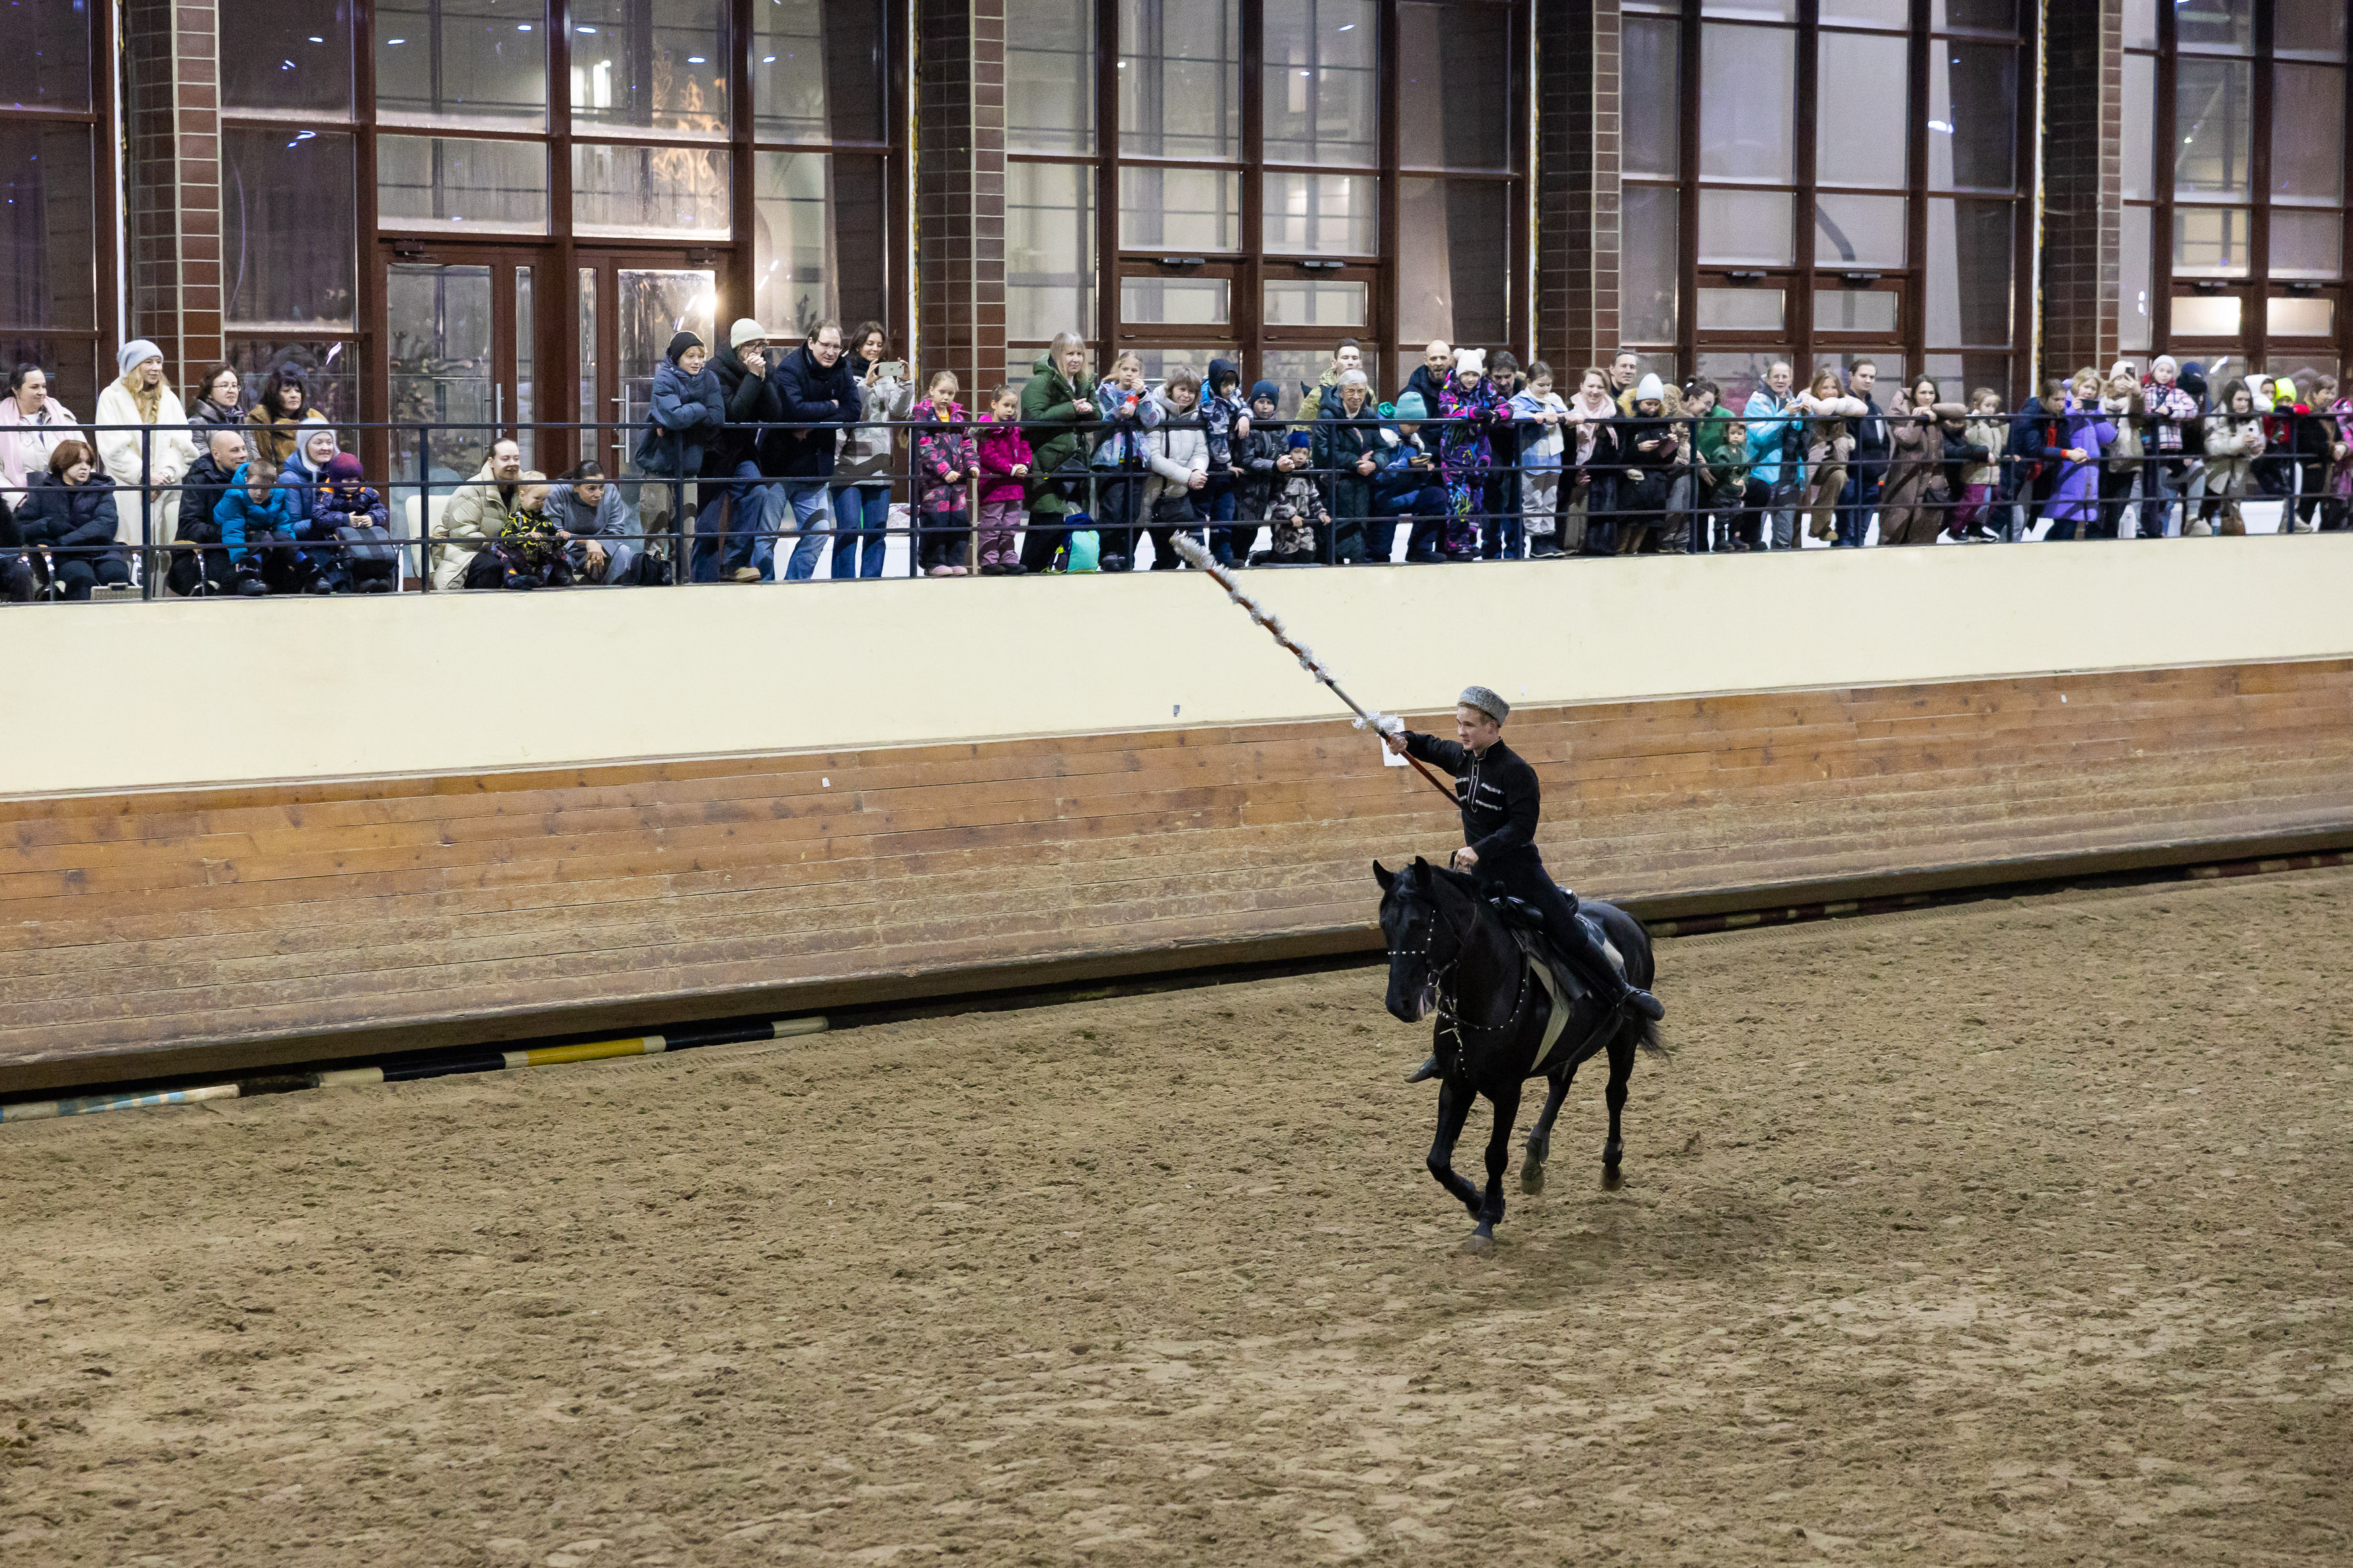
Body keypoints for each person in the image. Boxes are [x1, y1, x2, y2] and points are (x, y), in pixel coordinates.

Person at [1388, 685, 1664, 1083]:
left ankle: (1623, 994)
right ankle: (1445, 1047)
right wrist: (1404, 740)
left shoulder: (1517, 772)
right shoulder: (1461, 758)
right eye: (1459, 724)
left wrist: (1479, 849)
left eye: (1469, 725)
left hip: (1522, 877)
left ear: (1492, 727)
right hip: (1482, 881)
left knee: (1568, 934)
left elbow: (1521, 829)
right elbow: (1429, 746)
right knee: (1459, 951)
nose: (1461, 732)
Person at [93, 340, 198, 571]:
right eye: (149, 362)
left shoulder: (169, 398)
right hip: (129, 488)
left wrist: (165, 475)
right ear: (133, 367)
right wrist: (144, 475)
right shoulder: (111, 397)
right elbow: (112, 448)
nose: (156, 368)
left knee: (166, 560)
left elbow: (182, 443)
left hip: (166, 488)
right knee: (132, 556)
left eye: (159, 362)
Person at [770, 319, 860, 581]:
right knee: (765, 537)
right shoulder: (790, 368)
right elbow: (794, 410)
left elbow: (854, 410)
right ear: (811, 343)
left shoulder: (842, 367)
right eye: (826, 345)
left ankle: (794, 587)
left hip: (816, 466)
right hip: (778, 467)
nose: (831, 352)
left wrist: (813, 425)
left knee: (818, 533)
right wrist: (832, 405)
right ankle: (763, 591)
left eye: (837, 347)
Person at [705, 317, 785, 582]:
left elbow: (774, 415)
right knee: (707, 521)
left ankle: (734, 563)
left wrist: (762, 378)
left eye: (761, 346)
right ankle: (700, 576)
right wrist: (753, 377)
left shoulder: (764, 369)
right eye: (751, 346)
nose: (757, 352)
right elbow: (734, 413)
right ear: (738, 347)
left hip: (742, 452)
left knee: (757, 492)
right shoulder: (715, 369)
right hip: (713, 453)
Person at [830, 323, 910, 579]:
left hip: (880, 460)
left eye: (879, 344)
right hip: (848, 458)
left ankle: (871, 582)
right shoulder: (842, 370)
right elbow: (851, 412)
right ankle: (843, 583)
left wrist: (905, 384)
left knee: (877, 528)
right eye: (869, 344)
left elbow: (899, 410)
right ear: (858, 344)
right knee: (849, 526)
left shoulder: (886, 373)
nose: (875, 349)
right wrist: (866, 384)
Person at [1017, 333, 1098, 573]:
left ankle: (1034, 572)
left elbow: (1097, 421)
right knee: (1048, 523)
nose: (1076, 359)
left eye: (1080, 354)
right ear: (1057, 355)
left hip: (1073, 466)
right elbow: (1032, 419)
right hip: (1045, 466)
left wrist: (1089, 411)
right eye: (1070, 354)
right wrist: (1070, 409)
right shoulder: (1041, 382)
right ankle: (1029, 572)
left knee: (1051, 526)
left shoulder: (1084, 383)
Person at [644, 329, 723, 562]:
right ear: (677, 357)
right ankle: (656, 581)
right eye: (690, 356)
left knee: (687, 539)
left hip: (689, 468)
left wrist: (680, 418)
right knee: (655, 538)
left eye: (701, 356)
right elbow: (675, 416)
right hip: (659, 468)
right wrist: (700, 408)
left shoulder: (709, 378)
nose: (697, 362)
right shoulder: (664, 377)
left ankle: (684, 581)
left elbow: (717, 417)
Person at [16, 440, 131, 599]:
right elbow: (22, 527)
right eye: (78, 462)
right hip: (69, 556)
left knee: (119, 581)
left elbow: (107, 524)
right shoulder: (43, 491)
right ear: (62, 463)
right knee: (82, 583)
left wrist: (62, 541)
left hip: (103, 552)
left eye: (88, 462)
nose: (85, 467)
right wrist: (49, 525)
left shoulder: (101, 488)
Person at [1876, 376, 1968, 545]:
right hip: (1905, 480)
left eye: (1931, 393)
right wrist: (1918, 418)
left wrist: (1932, 410)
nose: (1927, 397)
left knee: (1924, 531)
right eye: (1923, 393)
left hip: (1932, 480)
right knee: (1895, 527)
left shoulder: (1937, 414)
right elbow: (1908, 439)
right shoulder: (1901, 416)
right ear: (1914, 395)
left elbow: (1962, 410)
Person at [1090, 352, 1160, 571]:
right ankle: (1108, 553)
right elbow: (1099, 418)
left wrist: (1143, 396)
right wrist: (1119, 413)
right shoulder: (1105, 391)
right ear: (1117, 370)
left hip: (1136, 459)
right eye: (1125, 369)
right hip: (1110, 459)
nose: (1129, 374)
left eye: (1134, 370)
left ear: (1141, 373)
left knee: (1132, 511)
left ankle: (1124, 553)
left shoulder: (1143, 394)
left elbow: (1152, 419)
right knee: (1112, 509)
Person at [1138, 367, 1209, 569]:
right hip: (1151, 498)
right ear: (1170, 389)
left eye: (1192, 391)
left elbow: (1201, 452)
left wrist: (1197, 470)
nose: (1187, 395)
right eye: (1182, 389)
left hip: (1177, 499)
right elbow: (1153, 458)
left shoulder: (1194, 417)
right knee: (1135, 555)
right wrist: (1188, 477)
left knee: (1172, 559)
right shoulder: (1156, 414)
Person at [2036, 368, 2118, 542]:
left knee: (2072, 522)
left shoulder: (2092, 413)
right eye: (2086, 386)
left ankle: (2050, 551)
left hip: (2088, 471)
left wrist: (2096, 413)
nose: (2089, 391)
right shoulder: (2064, 405)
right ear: (2077, 386)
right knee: (2065, 520)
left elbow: (2109, 437)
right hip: (2068, 468)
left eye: (2093, 388)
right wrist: (2073, 411)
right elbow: (2061, 431)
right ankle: (2047, 551)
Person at [1436, 349, 1504, 561]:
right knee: (1459, 500)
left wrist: (1499, 414)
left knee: (1476, 501)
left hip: (1480, 456)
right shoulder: (1449, 388)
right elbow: (1449, 410)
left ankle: (1470, 542)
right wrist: (1478, 413)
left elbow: (1503, 404)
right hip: (1454, 455)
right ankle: (1456, 545)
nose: (1471, 379)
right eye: (1466, 374)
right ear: (1459, 374)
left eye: (1474, 374)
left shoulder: (1486, 388)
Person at [214, 454, 312, 595]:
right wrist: (239, 560)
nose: (259, 493)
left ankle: (313, 573)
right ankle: (248, 576)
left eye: (265, 489)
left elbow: (284, 525)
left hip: (262, 535)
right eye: (254, 487)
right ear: (246, 481)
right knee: (263, 538)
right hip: (231, 535)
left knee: (281, 538)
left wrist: (290, 550)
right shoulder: (234, 494)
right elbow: (233, 530)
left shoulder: (279, 494)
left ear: (273, 486)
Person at [1312, 369, 1383, 564]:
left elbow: (1383, 448)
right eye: (1351, 391)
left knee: (1358, 545)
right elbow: (1322, 454)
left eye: (1361, 391)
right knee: (1333, 547)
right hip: (1333, 488)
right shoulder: (1327, 415)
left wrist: (1375, 463)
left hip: (1362, 489)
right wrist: (1355, 462)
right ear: (1341, 392)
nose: (1357, 397)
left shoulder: (1370, 416)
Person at [432, 438, 522, 588]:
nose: (512, 464)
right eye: (505, 459)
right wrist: (503, 545)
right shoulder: (470, 491)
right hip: (463, 554)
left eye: (516, 458)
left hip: (502, 550)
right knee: (492, 565)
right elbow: (464, 536)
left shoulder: (524, 488)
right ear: (491, 462)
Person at [1372, 390, 1449, 561]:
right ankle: (1378, 560)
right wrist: (1407, 465)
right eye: (1410, 423)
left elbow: (1420, 478)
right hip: (1385, 497)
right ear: (1399, 418)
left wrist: (1424, 469)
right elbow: (1379, 476)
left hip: (1410, 492)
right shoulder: (1384, 437)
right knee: (1379, 552)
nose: (1414, 428)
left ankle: (1420, 549)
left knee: (1437, 496)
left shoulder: (1416, 440)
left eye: (1418, 424)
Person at [170, 428, 249, 595]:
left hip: (244, 544)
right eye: (235, 450)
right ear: (216, 454)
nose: (243, 455)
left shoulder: (251, 475)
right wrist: (229, 534)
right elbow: (189, 526)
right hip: (210, 550)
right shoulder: (199, 479)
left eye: (244, 448)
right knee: (243, 566)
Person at [910, 370, 974, 576]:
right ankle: (933, 562)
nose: (946, 397)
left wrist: (972, 465)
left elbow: (967, 444)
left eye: (951, 393)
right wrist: (944, 470)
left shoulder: (959, 418)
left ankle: (954, 560)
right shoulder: (922, 414)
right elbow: (925, 447)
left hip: (957, 481)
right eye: (942, 392)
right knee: (935, 518)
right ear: (932, 391)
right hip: (933, 481)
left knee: (959, 520)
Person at [1741, 360, 1806, 549]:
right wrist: (1785, 414)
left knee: (1784, 540)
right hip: (1762, 477)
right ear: (1768, 380)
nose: (1780, 380)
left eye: (1785, 376)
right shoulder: (1757, 401)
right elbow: (1761, 437)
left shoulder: (1796, 404)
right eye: (1776, 376)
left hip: (1790, 477)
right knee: (1753, 537)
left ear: (1791, 380)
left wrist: (1806, 417)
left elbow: (1801, 437)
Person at [1798, 368, 1866, 544]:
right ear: (1816, 389)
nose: (1830, 392)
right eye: (1825, 387)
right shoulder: (1808, 401)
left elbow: (1863, 409)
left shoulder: (1842, 401)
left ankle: (1820, 526)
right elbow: (1821, 409)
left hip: (1831, 463)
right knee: (1795, 500)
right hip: (1806, 461)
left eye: (1833, 387)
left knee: (1839, 476)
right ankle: (1793, 544)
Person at [547, 461, 645, 584]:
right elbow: (554, 534)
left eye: (601, 487)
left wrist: (598, 545)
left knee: (624, 551)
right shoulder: (556, 492)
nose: (599, 495)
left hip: (601, 548)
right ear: (575, 487)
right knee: (558, 556)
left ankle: (613, 591)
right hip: (567, 549)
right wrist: (588, 541)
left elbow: (616, 532)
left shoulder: (611, 491)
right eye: (591, 489)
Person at [1615, 373, 1681, 554]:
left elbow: (1666, 460)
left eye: (1656, 404)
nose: (1652, 409)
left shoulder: (1662, 426)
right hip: (1633, 486)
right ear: (1639, 402)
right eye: (1648, 404)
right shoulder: (1630, 425)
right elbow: (1620, 455)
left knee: (1642, 529)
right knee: (1626, 531)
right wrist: (1638, 449)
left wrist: (1671, 448)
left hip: (1653, 486)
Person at [972, 384, 1033, 576]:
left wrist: (1024, 464)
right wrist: (1011, 469)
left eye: (1013, 407)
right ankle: (988, 560)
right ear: (994, 404)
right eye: (1006, 405)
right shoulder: (986, 429)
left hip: (1014, 486)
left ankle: (1008, 558)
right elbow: (988, 456)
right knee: (992, 523)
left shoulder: (1014, 428)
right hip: (994, 486)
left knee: (1011, 524)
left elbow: (1024, 446)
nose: (1010, 410)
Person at [1509, 364, 1568, 557]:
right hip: (1532, 460)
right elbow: (1513, 414)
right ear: (1529, 382)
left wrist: (1571, 416)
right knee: (1533, 500)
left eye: (1548, 385)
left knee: (1550, 500)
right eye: (1541, 385)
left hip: (1553, 458)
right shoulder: (1521, 400)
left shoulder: (1554, 399)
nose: (1545, 389)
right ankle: (1536, 542)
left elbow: (1565, 413)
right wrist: (1538, 416)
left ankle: (1548, 538)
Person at [1, 365, 83, 502]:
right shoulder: (2, 421)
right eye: (35, 387)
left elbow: (85, 457)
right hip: (23, 506)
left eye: (44, 386)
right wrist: (19, 500)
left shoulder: (63, 416)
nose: (42, 392)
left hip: (68, 500)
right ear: (16, 389)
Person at [1562, 368, 1622, 555]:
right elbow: (1562, 448)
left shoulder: (1616, 413)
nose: (1595, 391)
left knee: (1597, 545)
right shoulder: (1566, 410)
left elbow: (1619, 452)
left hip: (1601, 480)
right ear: (1581, 386)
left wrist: (1591, 468)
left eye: (1600, 387)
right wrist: (1573, 473)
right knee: (1570, 539)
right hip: (1571, 479)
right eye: (1590, 386)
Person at [1229, 379, 1289, 562]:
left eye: (1269, 402)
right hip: (1243, 491)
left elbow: (1283, 451)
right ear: (1253, 402)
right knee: (1237, 536)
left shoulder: (1279, 427)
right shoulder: (1247, 424)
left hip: (1264, 491)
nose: (1265, 407)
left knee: (1250, 535)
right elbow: (1246, 460)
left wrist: (1285, 462)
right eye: (1261, 402)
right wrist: (1274, 466)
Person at [2196, 379, 2264, 536]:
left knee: (2232, 526)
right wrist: (2240, 442)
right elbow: (2212, 447)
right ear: (2229, 398)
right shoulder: (2214, 418)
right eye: (2239, 399)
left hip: (2237, 478)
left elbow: (2254, 449)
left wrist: (2256, 449)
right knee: (2209, 522)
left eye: (2246, 400)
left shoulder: (2252, 420)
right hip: (2215, 478)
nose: (2243, 404)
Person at [1831, 360, 1887, 548]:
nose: (1868, 380)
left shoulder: (1876, 409)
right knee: (1845, 533)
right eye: (1863, 376)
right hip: (1850, 476)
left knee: (1861, 533)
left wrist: (1882, 465)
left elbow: (1884, 440)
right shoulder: (1843, 405)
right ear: (1851, 376)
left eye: (1872, 377)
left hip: (1872, 478)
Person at [1199, 358, 1250, 566]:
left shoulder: (1232, 394)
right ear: (1215, 383)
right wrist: (1227, 465)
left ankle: (1222, 557)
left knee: (1224, 512)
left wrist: (1244, 416)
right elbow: (1217, 440)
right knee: (1199, 514)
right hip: (1210, 465)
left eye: (1233, 383)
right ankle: (1198, 560)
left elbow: (1244, 405)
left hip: (1224, 465)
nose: (1230, 389)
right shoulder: (1210, 404)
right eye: (1225, 384)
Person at [1253, 430, 1328, 565]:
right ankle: (1259, 557)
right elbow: (1275, 496)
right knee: (1285, 556)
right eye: (1297, 452)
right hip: (1284, 524)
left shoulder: (1308, 473)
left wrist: (1321, 513)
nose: (1301, 457)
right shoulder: (1281, 473)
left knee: (1307, 556)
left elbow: (1314, 496)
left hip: (1305, 523)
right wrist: (1291, 515)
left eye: (1305, 453)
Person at [1950, 388, 2007, 542]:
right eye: (1987, 405)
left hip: (1991, 472)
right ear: (1976, 405)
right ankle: (1955, 529)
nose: (1991, 410)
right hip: (1976, 471)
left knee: (1986, 503)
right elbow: (1971, 441)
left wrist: (2003, 424)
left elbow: (2002, 444)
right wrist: (1973, 421)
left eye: (1994, 406)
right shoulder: (1972, 422)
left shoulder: (1992, 424)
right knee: (1972, 501)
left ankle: (1975, 529)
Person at [245, 364, 329, 465]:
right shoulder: (261, 420)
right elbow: (264, 461)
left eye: (298, 391)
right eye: (286, 391)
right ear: (274, 394)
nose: (294, 395)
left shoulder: (314, 417)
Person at [1400, 341, 1453, 424]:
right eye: (1433, 359)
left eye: (1443, 358)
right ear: (1426, 361)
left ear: (1451, 360)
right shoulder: (1412, 393)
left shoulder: (1461, 391)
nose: (1438, 363)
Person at [188, 363, 247, 431]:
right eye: (224, 386)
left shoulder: (240, 418)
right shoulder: (197, 422)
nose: (231, 391)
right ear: (209, 393)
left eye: (234, 386)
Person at [1608, 348, 1642, 415]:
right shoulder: (1602, 395)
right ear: (1612, 369)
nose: (1628, 371)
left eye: (1632, 367)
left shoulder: (1635, 398)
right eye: (1623, 366)